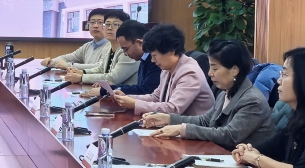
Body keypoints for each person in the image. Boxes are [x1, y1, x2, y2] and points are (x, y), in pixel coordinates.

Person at [143, 39, 277, 147]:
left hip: (248, 166)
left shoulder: (252, 100)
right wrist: (168, 119)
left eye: (215, 68)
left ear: (234, 70)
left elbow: (229, 136)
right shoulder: (225, 93)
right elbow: (205, 121)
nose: (210, 73)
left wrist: (182, 129)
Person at [108, 23, 216, 118]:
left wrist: (134, 103)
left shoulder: (189, 72)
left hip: (192, 130)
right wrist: (127, 98)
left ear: (171, 51)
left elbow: (173, 109)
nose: (152, 60)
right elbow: (156, 97)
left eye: (154, 55)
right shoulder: (167, 68)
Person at [64, 9, 129, 84]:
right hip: (110, 89)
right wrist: (82, 72)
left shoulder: (128, 51)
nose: (109, 28)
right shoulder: (108, 47)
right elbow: (101, 69)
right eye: (107, 24)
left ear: (125, 28)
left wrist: (81, 78)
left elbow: (113, 78)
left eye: (115, 24)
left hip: (124, 91)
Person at [47, 9, 112, 74]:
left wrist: (68, 65)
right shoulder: (87, 46)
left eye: (100, 22)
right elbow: (67, 58)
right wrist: (51, 62)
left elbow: (100, 67)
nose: (95, 26)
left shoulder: (112, 46)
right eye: (92, 22)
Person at [106, 21, 159, 97]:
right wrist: (113, 87)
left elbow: (145, 91)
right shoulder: (143, 59)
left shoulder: (155, 61)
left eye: (126, 49)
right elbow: (140, 87)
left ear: (139, 43)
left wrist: (111, 89)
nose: (125, 53)